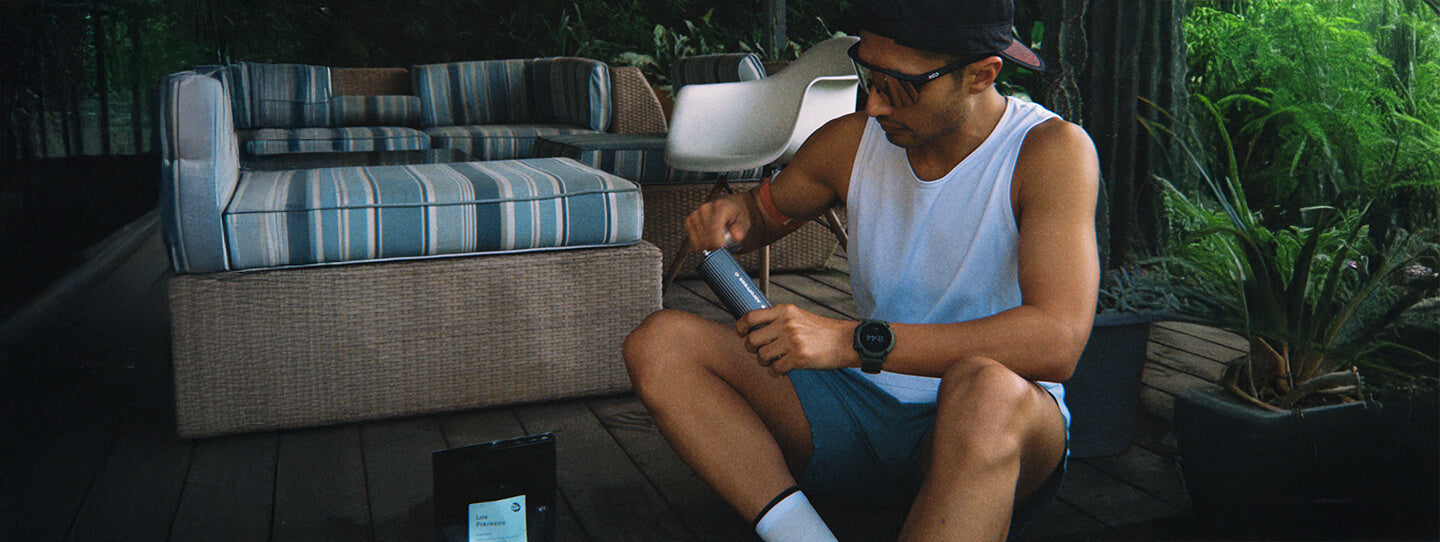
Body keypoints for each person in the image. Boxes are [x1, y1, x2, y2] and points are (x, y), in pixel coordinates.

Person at [623, 0, 1100, 539]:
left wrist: (853, 342)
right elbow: (763, 213)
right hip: (861, 407)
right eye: (867, 75)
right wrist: (734, 217)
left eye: (899, 87)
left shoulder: (1048, 151)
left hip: (991, 431)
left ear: (980, 75)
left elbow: (1058, 341)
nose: (873, 105)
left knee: (986, 389)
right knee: (661, 342)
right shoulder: (849, 143)